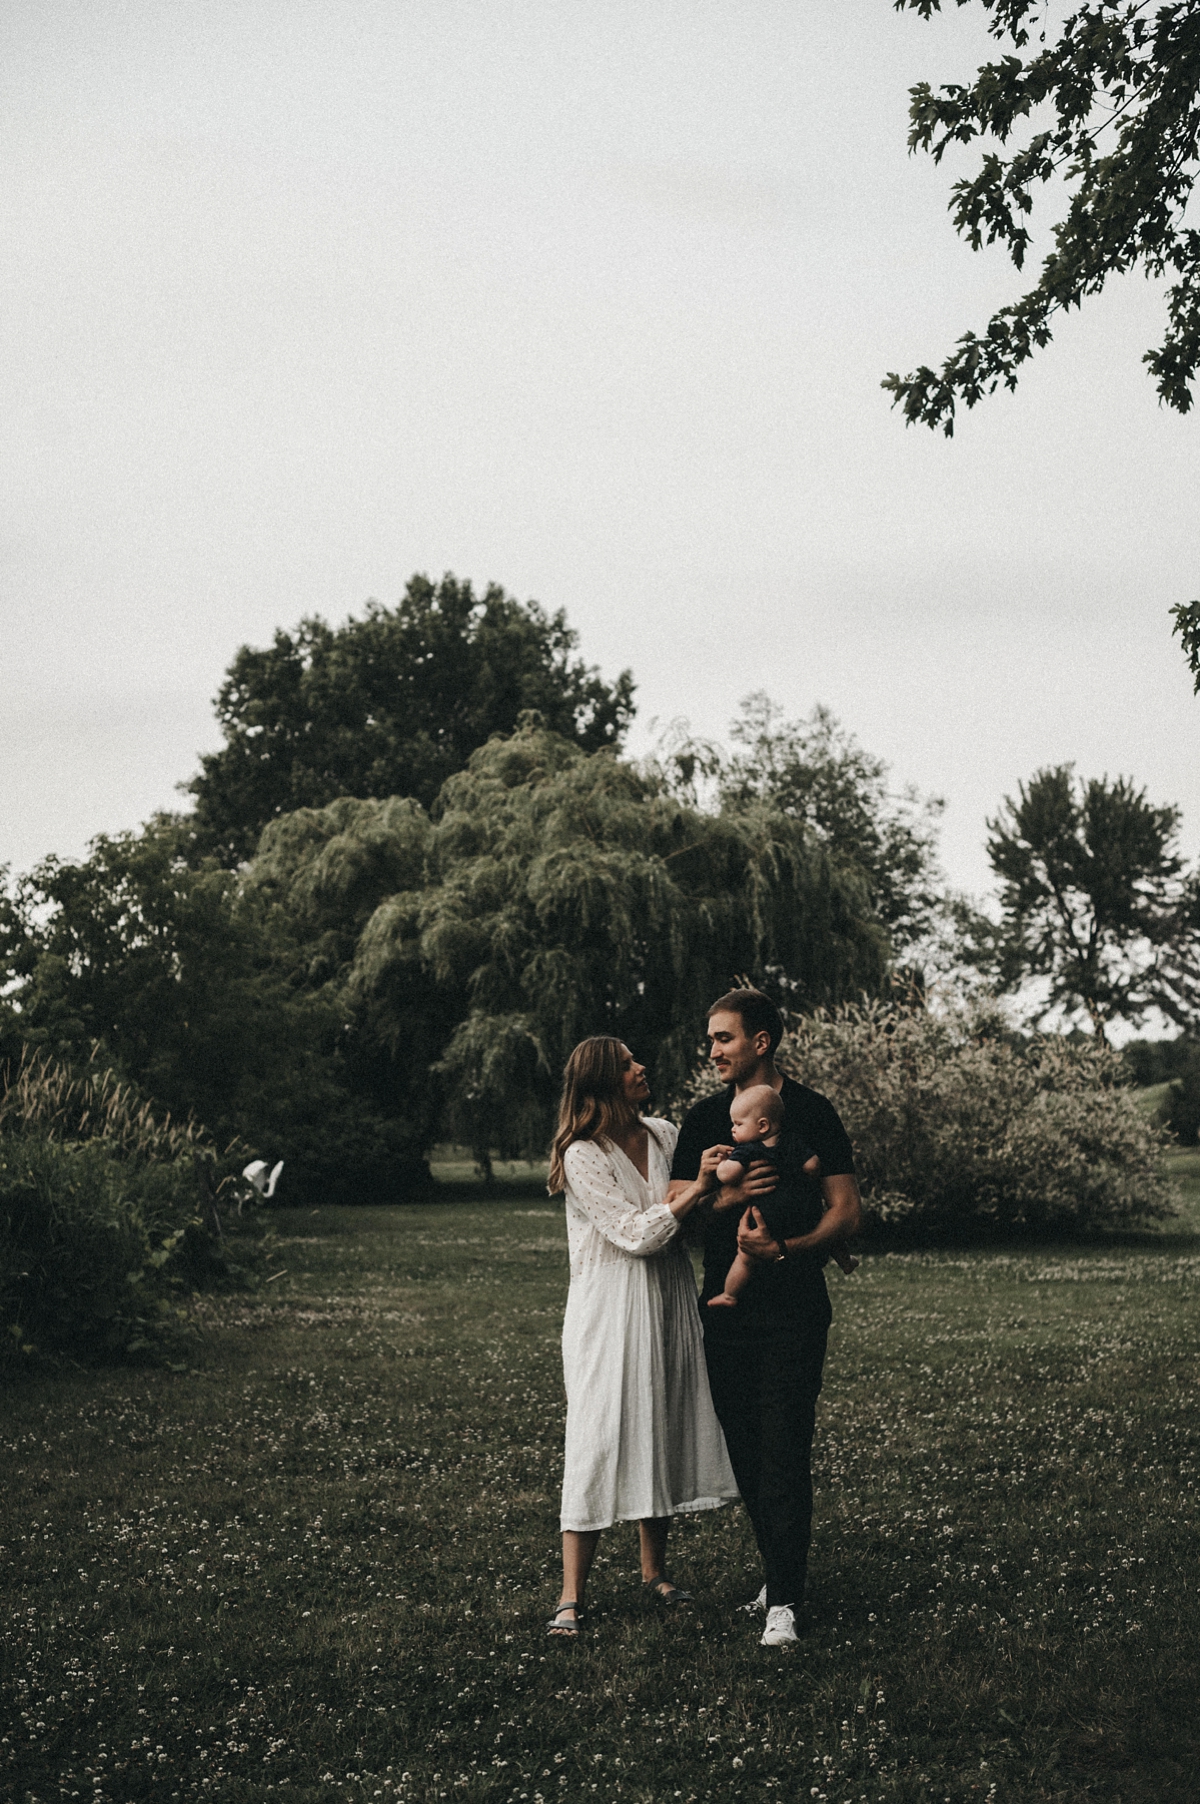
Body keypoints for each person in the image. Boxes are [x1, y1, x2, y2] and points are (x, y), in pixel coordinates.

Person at [668, 989, 862, 1648]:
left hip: (795, 1310)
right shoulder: (703, 1119)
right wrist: (721, 1196)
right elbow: (676, 1207)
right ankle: (778, 1570)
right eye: (711, 1040)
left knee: (785, 1446)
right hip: (724, 1313)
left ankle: (784, 1599)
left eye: (724, 1038)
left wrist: (787, 1250)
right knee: (748, 1449)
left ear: (762, 1040)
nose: (714, 1051)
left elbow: (845, 1209)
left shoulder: (812, 1112)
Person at [546, 1036, 738, 1639]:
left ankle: (654, 1570)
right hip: (611, 1308)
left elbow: (686, 1214)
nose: (642, 1066)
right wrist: (699, 1191)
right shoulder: (582, 1153)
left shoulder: (664, 1133)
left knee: (661, 1418)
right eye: (629, 1063)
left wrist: (728, 1189)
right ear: (603, 1081)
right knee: (599, 1437)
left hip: (667, 1298)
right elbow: (634, 1233)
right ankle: (570, 1594)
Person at [707, 1086, 856, 1307]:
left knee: (745, 1258)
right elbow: (813, 1165)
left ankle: (729, 1294)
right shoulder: (792, 1141)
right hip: (800, 1210)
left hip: (767, 1216)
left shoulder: (747, 1149)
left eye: (738, 1124)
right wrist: (807, 1174)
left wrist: (720, 1165)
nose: (733, 1130)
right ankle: (845, 1260)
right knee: (824, 1232)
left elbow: (729, 1174)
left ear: (762, 1125)